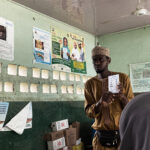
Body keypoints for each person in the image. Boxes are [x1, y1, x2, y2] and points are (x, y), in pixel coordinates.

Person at [84, 46, 134, 150]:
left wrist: (122, 97)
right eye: (94, 60)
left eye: (101, 59)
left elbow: (132, 109)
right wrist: (100, 102)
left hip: (122, 138)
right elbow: (89, 112)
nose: (97, 63)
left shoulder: (123, 79)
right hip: (100, 141)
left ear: (108, 60)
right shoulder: (89, 84)